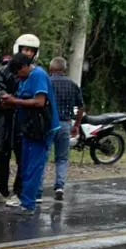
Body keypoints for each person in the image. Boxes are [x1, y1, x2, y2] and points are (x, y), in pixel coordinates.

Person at [0, 51, 59, 214]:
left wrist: (15, 101)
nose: (17, 77)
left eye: (18, 72)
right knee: (25, 164)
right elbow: (22, 98)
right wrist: (10, 101)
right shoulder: (24, 78)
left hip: (40, 128)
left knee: (33, 165)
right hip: (28, 127)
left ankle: (28, 203)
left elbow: (39, 102)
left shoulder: (38, 75)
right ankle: (27, 197)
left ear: (25, 66)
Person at [0, 33, 40, 207]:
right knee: (2, 154)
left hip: (24, 118)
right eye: (25, 49)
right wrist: (3, 97)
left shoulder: (35, 72)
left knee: (22, 156)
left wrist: (17, 100)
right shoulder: (4, 69)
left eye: (31, 50)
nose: (28, 53)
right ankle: (2, 190)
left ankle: (18, 191)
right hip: (5, 117)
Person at [48, 56, 84, 200]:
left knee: (43, 156)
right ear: (64, 69)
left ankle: (37, 191)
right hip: (65, 124)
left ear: (51, 68)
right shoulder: (72, 85)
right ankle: (60, 186)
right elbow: (81, 107)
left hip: (49, 124)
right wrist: (76, 125)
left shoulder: (47, 82)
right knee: (62, 158)